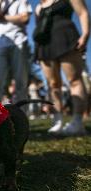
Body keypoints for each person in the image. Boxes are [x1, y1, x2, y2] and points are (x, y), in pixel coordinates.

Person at [34, 0, 90, 136]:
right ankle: (57, 121)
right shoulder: (38, 7)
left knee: (74, 80)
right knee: (53, 84)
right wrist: (37, 50)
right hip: (45, 44)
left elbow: (82, 12)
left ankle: (77, 122)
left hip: (66, 36)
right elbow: (38, 27)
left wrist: (85, 34)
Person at [0, 0, 32, 107]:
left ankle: (22, 117)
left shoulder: (21, 1)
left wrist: (4, 18)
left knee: (20, 82)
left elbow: (25, 18)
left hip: (18, 42)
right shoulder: (0, 4)